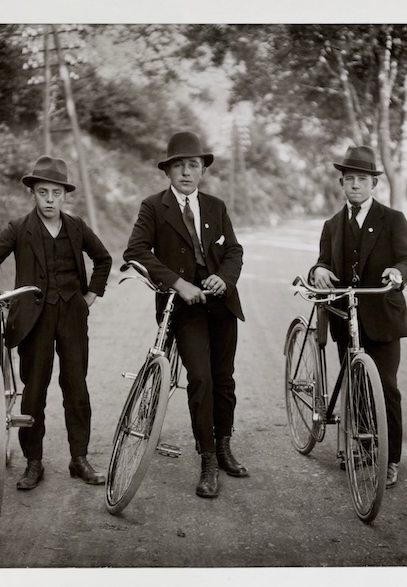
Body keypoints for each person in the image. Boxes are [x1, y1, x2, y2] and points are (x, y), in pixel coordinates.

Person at [0, 155, 112, 490]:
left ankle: (80, 458)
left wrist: (90, 296)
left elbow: (103, 259)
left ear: (64, 195)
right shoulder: (19, 228)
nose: (49, 199)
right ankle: (34, 462)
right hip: (34, 319)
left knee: (76, 386)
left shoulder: (76, 227)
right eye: (43, 192)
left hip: (72, 316)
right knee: (35, 390)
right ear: (32, 192)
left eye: (56, 193)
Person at [124, 131, 247, 498]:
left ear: (202, 170)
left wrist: (223, 279)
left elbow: (234, 251)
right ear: (168, 172)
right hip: (183, 307)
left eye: (193, 165)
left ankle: (224, 446)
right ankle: (207, 457)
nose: (186, 172)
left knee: (224, 379)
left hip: (221, 302)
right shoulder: (153, 207)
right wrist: (178, 283)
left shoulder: (216, 207)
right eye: (178, 166)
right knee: (201, 378)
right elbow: (136, 251)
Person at [309, 145, 407, 488]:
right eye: (349, 179)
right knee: (356, 384)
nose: (355, 185)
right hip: (346, 316)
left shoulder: (393, 219)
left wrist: (398, 273)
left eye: (362, 179)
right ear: (342, 184)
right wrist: (320, 271)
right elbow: (322, 261)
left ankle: (390, 458)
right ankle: (366, 445)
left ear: (374, 184)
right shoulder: (332, 225)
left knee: (386, 388)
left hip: (383, 316)